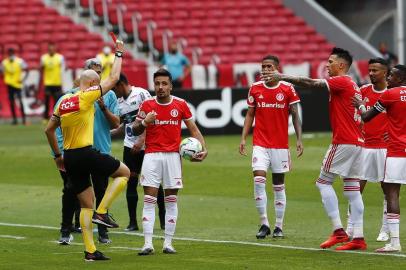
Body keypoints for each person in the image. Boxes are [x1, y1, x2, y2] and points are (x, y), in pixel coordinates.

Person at [265, 48, 366, 250]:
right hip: (358, 142)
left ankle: (338, 231)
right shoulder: (354, 85)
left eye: (330, 62)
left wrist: (282, 76)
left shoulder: (343, 81)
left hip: (344, 141)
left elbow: (312, 83)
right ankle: (359, 238)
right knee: (352, 188)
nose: (327, 65)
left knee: (323, 183)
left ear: (341, 65)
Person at [45, 39, 130, 261]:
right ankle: (103, 212)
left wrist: (57, 156)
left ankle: (90, 251)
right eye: (96, 82)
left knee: (85, 204)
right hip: (86, 152)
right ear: (92, 84)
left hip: (70, 157)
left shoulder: (63, 100)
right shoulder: (87, 96)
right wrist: (118, 53)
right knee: (125, 173)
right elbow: (113, 78)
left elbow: (48, 130)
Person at [132, 68, 208, 255]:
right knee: (149, 200)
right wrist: (144, 123)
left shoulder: (180, 104)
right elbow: (134, 130)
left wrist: (203, 149)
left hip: (173, 157)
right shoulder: (147, 105)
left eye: (164, 83)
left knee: (171, 201)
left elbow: (194, 130)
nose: (160, 87)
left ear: (171, 86)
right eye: (157, 83)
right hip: (151, 156)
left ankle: (168, 243)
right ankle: (147, 244)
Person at [55, 58, 120, 245]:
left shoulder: (109, 96)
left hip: (100, 149)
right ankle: (65, 230)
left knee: (101, 191)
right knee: (71, 192)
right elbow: (57, 127)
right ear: (86, 75)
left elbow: (116, 123)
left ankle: (102, 232)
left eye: (100, 72)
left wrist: (103, 107)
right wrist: (59, 153)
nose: (98, 75)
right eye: (95, 72)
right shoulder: (70, 97)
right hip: (75, 151)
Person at [239, 55, 303, 239]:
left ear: (277, 69)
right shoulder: (255, 88)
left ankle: (279, 227)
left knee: (278, 185)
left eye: (269, 67)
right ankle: (264, 223)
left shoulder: (287, 88)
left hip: (280, 145)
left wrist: (299, 139)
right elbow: (250, 114)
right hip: (260, 143)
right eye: (263, 67)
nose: (265, 70)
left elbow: (295, 116)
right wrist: (244, 138)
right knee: (258, 181)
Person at [353, 64, 406, 252]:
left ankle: (394, 242)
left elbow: (367, 117)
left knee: (392, 193)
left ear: (400, 79)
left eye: (392, 75)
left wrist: (360, 105)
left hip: (397, 152)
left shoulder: (389, 94)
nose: (389, 78)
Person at [111, 73, 166, 232]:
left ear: (120, 84)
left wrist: (141, 140)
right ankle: (132, 223)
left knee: (154, 183)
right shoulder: (119, 102)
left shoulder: (141, 94)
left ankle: (163, 220)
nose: (114, 93)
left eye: (115, 89)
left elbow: (152, 116)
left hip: (147, 146)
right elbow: (124, 124)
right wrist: (108, 133)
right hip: (129, 147)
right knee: (130, 182)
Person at [346, 58, 390, 242]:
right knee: (355, 189)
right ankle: (350, 228)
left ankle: (385, 229)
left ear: (385, 73)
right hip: (364, 147)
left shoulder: (393, 94)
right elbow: (352, 115)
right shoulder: (362, 91)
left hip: (386, 149)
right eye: (370, 70)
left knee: (389, 191)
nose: (371, 73)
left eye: (375, 70)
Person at [0, 48, 28, 125]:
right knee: (12, 102)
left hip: (18, 84)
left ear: (14, 54)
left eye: (11, 53)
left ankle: (24, 119)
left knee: (20, 102)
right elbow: (1, 71)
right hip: (9, 85)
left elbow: (26, 69)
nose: (10, 55)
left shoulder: (19, 61)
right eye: (9, 53)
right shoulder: (4, 62)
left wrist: (23, 79)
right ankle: (15, 120)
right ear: (8, 54)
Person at [41, 42, 65, 120]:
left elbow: (63, 70)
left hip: (57, 83)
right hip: (48, 83)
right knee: (46, 102)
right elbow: (41, 69)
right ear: (48, 49)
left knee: (57, 102)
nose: (51, 50)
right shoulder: (44, 58)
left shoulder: (60, 57)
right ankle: (45, 118)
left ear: (54, 49)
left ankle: (56, 118)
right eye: (49, 49)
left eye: (52, 49)